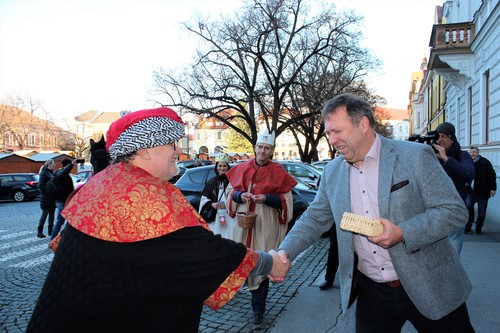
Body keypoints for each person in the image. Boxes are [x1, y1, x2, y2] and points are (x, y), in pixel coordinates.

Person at [26, 107, 289, 333]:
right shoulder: (144, 193)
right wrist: (268, 262)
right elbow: (201, 252)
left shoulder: (102, 183)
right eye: (171, 144)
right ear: (146, 151)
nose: (177, 151)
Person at [274, 93, 474, 332]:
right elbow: (314, 218)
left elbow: (454, 211)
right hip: (373, 292)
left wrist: (402, 232)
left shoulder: (414, 156)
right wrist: (284, 252)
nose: (332, 140)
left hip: (430, 283)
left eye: (337, 131)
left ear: (364, 124)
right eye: (328, 134)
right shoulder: (332, 172)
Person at [224, 128, 297, 329]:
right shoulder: (242, 168)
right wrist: (240, 196)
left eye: (267, 148)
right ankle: (225, 294)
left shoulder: (279, 172)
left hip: (265, 226)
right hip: (242, 225)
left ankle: (258, 310)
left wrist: (267, 198)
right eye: (260, 147)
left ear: (272, 151)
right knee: (239, 259)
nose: (263, 151)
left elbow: (287, 200)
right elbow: (229, 193)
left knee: (262, 263)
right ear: (255, 148)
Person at [433, 121, 475, 255]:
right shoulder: (430, 155)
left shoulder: (462, 156)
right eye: (437, 136)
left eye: (443, 136)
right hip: (433, 211)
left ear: (452, 139)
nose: (439, 140)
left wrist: (446, 159)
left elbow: (468, 175)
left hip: (455, 210)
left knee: (453, 255)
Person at [199, 154, 242, 240]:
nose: (222, 168)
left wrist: (228, 204)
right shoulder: (211, 182)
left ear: (228, 167)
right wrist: (212, 204)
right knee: (216, 236)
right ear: (216, 167)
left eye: (224, 166)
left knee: (230, 236)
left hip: (230, 215)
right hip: (215, 216)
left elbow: (238, 196)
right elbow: (204, 199)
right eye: (220, 166)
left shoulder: (233, 181)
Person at [465, 146, 497, 234]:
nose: (472, 154)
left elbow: (492, 176)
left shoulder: (485, 163)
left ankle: (478, 228)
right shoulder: (467, 163)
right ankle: (468, 227)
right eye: (470, 152)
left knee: (481, 212)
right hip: (470, 191)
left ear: (478, 153)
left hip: (482, 191)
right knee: (468, 208)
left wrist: (493, 188)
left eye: (474, 152)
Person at [50, 158, 78, 240]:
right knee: (65, 219)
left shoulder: (60, 173)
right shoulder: (61, 173)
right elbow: (63, 173)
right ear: (67, 165)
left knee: (61, 220)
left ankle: (55, 237)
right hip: (62, 200)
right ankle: (57, 238)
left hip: (63, 200)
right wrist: (71, 164)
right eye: (70, 166)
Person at [37, 159, 56, 238]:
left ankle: (50, 231)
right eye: (53, 163)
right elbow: (41, 186)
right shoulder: (44, 173)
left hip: (52, 197)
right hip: (46, 198)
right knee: (44, 214)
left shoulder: (50, 172)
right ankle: (40, 232)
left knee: (52, 214)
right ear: (49, 164)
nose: (55, 164)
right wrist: (48, 193)